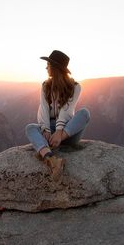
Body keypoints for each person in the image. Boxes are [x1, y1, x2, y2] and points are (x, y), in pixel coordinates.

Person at [25, 50, 90, 181]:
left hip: (68, 132)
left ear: (55, 68)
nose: (46, 67)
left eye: (48, 65)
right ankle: (51, 159)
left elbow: (67, 109)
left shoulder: (75, 87)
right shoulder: (45, 86)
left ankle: (50, 144)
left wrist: (60, 133)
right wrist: (46, 129)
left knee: (84, 113)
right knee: (30, 127)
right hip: (51, 131)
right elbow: (43, 109)